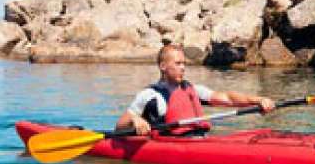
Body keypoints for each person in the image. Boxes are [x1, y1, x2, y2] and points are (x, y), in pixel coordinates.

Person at [117, 43, 275, 136]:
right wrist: (135, 120)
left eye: (184, 63)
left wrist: (258, 100)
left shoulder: (192, 90)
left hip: (199, 140)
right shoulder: (149, 95)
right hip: (166, 145)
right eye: (178, 64)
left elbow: (227, 98)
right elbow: (119, 126)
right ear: (163, 66)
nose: (183, 68)